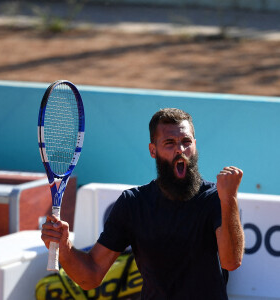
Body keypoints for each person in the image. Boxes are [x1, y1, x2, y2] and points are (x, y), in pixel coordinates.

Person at [41, 108, 244, 299]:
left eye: (186, 142)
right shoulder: (133, 203)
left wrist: (229, 199)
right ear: (153, 150)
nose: (180, 150)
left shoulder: (214, 198)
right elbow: (91, 276)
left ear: (195, 145)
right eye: (170, 143)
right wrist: (65, 248)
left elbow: (231, 261)